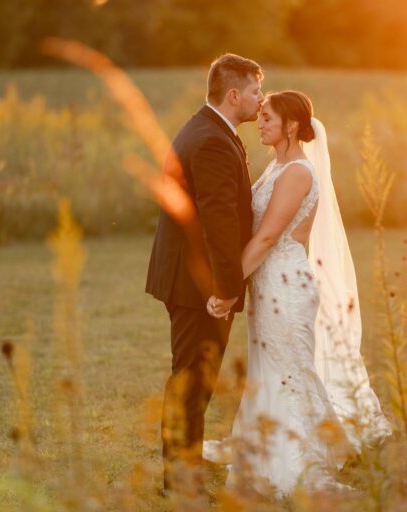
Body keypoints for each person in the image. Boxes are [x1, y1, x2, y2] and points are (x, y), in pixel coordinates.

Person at [203, 91, 392, 497]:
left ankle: (301, 461)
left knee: (291, 368)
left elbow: (269, 235)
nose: (260, 122)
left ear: (291, 125)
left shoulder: (299, 173)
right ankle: (266, 450)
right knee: (269, 369)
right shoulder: (276, 168)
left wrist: (229, 287)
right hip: (266, 283)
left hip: (287, 283)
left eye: (268, 117)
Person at [145, 53, 263, 494]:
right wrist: (227, 288)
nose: (260, 99)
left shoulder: (209, 129)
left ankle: (183, 469)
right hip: (199, 285)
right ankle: (180, 479)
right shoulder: (211, 139)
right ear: (234, 95)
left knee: (193, 379)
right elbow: (218, 220)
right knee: (191, 380)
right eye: (254, 91)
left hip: (189, 278)